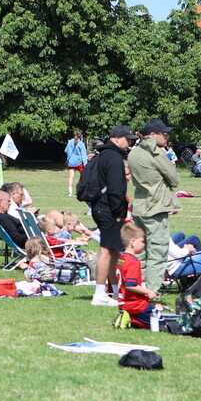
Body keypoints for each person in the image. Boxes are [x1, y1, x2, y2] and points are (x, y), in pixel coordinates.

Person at [81, 125, 136, 308]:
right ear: (117, 138)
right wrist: (119, 213)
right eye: (127, 139)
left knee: (113, 250)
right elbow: (115, 188)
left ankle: (114, 291)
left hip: (101, 207)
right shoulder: (113, 157)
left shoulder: (103, 154)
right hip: (108, 209)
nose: (129, 143)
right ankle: (99, 294)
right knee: (106, 250)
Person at [128, 119, 180, 291]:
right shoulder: (156, 153)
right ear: (152, 135)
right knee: (157, 252)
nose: (167, 137)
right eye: (164, 134)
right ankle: (151, 291)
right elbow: (174, 179)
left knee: (140, 252)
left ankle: (138, 286)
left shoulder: (134, 153)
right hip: (155, 207)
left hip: (140, 206)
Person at [116, 223, 166, 329]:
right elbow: (130, 285)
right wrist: (149, 292)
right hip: (137, 305)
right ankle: (130, 318)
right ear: (132, 242)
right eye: (142, 241)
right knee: (163, 324)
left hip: (123, 303)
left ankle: (129, 319)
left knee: (142, 324)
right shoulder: (133, 261)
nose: (143, 245)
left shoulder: (121, 259)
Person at [64, 129, 87, 196]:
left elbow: (66, 150)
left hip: (71, 162)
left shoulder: (70, 142)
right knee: (84, 176)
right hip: (79, 162)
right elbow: (84, 155)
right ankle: (83, 190)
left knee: (71, 177)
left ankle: (70, 192)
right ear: (81, 136)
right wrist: (85, 164)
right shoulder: (81, 144)